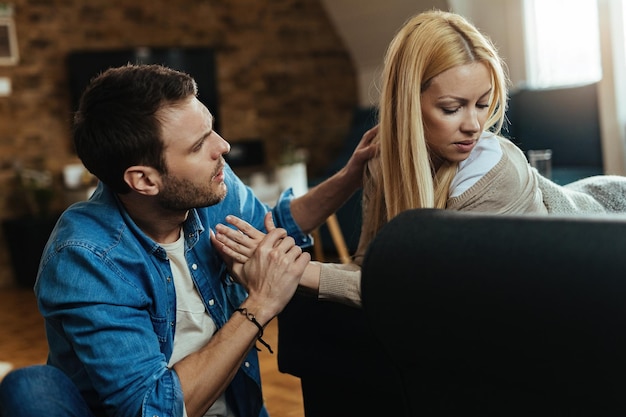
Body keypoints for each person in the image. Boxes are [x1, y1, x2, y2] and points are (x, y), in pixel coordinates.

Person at [0, 63, 377, 417]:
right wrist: (261, 304)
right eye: (198, 146)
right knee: (30, 388)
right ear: (145, 180)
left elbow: (270, 227)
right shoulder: (85, 257)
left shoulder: (209, 186)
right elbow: (154, 408)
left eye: (211, 128)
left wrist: (351, 174)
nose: (223, 147)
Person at [212, 9, 626, 308]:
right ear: (409, 104)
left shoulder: (495, 169)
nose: (474, 125)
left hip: (607, 224)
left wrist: (294, 270)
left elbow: (434, 290)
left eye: (483, 104)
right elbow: (373, 271)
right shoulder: (381, 163)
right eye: (452, 108)